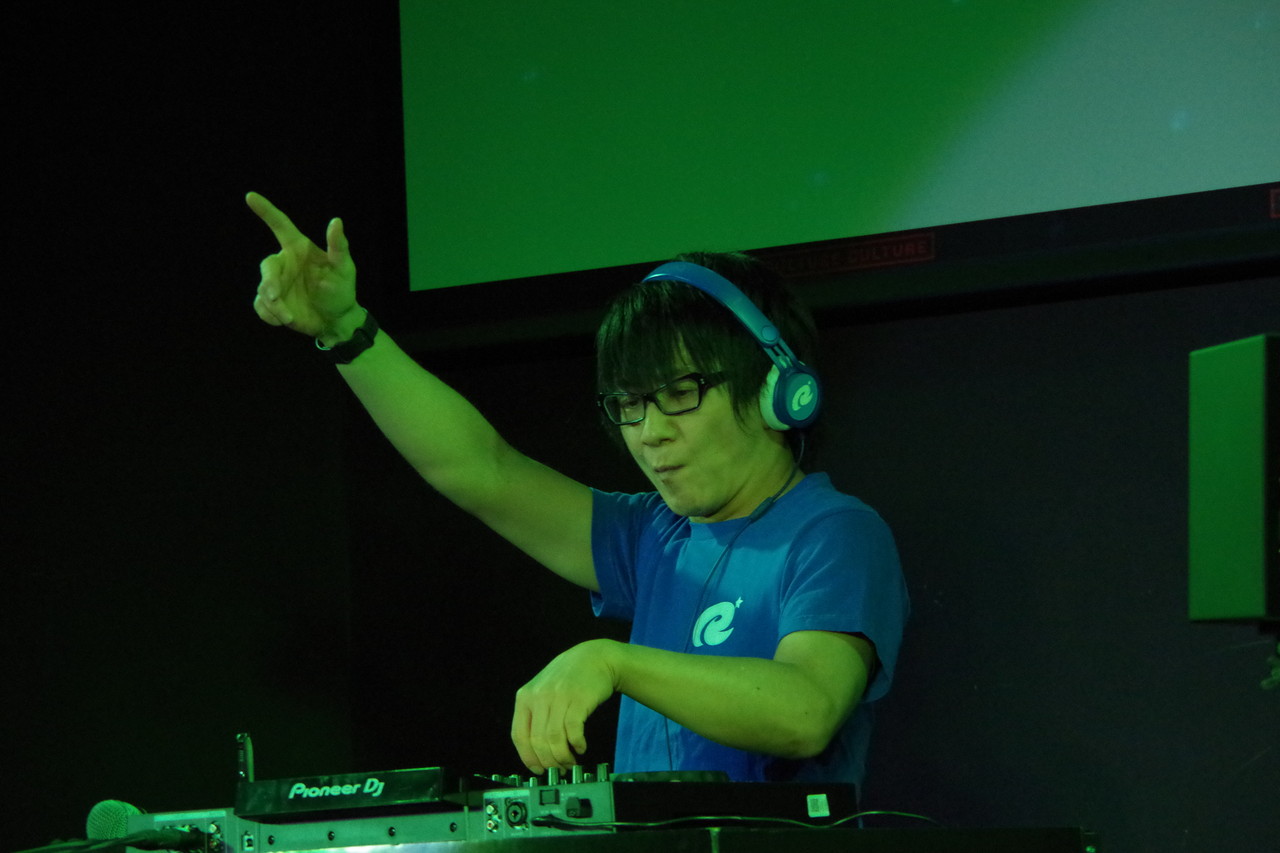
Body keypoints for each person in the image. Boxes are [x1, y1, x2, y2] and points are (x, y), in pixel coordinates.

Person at [247, 191, 908, 787]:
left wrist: (613, 662)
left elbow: (805, 709)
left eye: (681, 393)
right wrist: (344, 328)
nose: (649, 432)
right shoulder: (651, 534)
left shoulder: (834, 533)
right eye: (630, 404)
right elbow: (481, 469)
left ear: (778, 390)